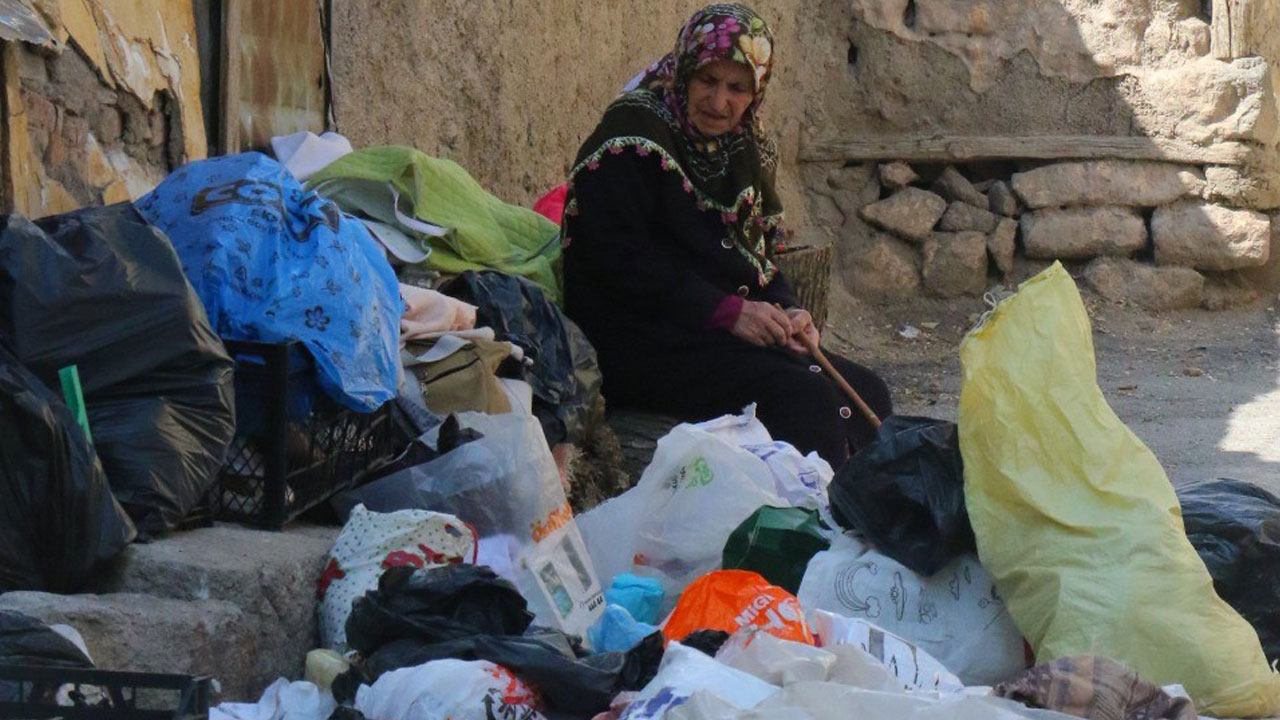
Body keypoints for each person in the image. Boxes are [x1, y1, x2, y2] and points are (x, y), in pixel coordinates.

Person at [562, 3, 892, 467]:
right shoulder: (633, 136)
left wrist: (788, 310)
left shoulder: (741, 145)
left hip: (710, 331)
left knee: (865, 392)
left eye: (737, 88)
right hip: (637, 340)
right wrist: (726, 311)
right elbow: (616, 257)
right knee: (803, 398)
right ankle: (819, 524)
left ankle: (865, 510)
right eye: (707, 82)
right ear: (684, 72)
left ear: (756, 90)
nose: (720, 103)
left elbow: (755, 252)